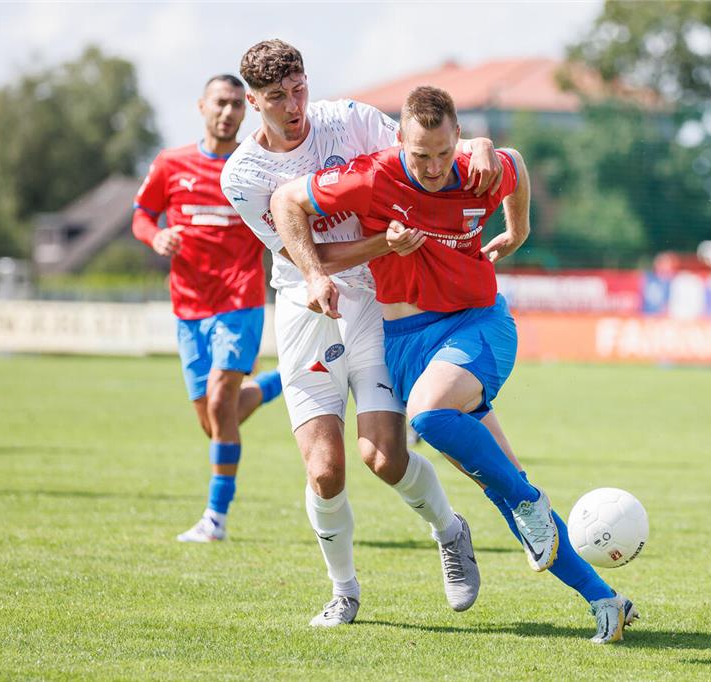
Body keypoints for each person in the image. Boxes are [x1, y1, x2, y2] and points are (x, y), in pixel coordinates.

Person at [270, 86, 639, 644]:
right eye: (421, 156)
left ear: (458, 139)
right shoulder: (372, 177)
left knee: (429, 414)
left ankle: (529, 503)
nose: (435, 167)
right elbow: (285, 204)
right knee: (504, 483)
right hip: (404, 342)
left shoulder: (475, 168)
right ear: (400, 141)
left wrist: (519, 229)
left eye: (445, 153)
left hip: (477, 325)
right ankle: (606, 601)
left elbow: (513, 164)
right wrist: (316, 275)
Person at [221, 40, 508, 626]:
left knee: (383, 457)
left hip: (379, 305)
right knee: (325, 470)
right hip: (307, 306)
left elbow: (422, 145)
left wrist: (477, 141)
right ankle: (343, 590)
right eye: (277, 97)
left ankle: (450, 532)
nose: (294, 104)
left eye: (299, 87)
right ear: (254, 102)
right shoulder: (244, 175)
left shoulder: (346, 120)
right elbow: (309, 248)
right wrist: (366, 250)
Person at [132, 74, 283, 542]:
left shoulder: (256, 166)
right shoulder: (170, 163)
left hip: (240, 300)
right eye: (221, 102)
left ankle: (214, 519)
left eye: (238, 104)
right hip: (189, 306)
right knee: (216, 418)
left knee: (221, 401)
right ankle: (290, 377)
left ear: (248, 110)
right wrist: (155, 235)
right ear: (202, 106)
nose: (229, 111)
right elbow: (141, 214)